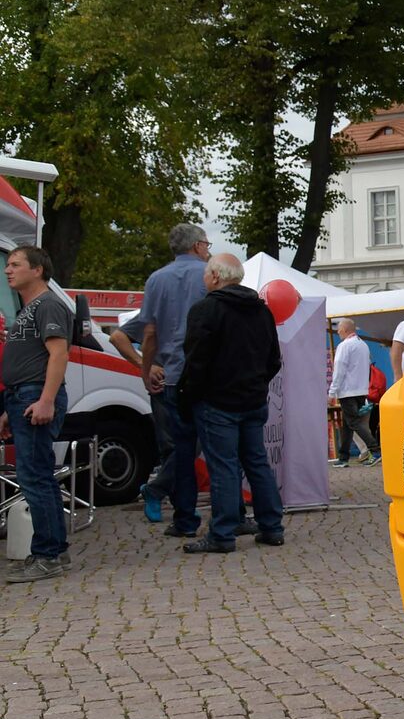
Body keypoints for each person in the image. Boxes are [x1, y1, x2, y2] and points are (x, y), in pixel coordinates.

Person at [177, 254, 284, 553]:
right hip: (252, 398)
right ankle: (271, 527)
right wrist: (257, 382)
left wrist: (188, 395)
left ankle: (222, 533)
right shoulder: (261, 311)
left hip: (217, 401)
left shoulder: (205, 310)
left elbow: (195, 361)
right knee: (257, 462)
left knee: (223, 466)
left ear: (214, 276)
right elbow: (273, 359)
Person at [2, 247, 74, 582]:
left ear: (38, 269)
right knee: (38, 473)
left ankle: (47, 555)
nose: (7, 270)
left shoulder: (47, 305)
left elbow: (58, 354)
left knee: (35, 476)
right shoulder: (30, 309)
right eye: (7, 265)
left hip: (35, 395)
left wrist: (45, 400)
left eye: (15, 264)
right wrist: (10, 406)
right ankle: (55, 549)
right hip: (23, 396)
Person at [139, 223, 211, 538]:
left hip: (172, 377)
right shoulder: (211, 275)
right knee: (220, 449)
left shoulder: (156, 279)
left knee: (181, 451)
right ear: (197, 246)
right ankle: (229, 518)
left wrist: (146, 371)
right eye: (206, 244)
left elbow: (150, 333)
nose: (208, 249)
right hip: (208, 376)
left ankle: (184, 519)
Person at [108, 311, 175, 523]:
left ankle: (159, 491)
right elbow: (117, 337)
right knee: (173, 447)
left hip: (190, 386)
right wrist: (144, 366)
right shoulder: (160, 309)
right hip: (164, 387)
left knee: (187, 447)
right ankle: (169, 498)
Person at [330, 318, 381, 468]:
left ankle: (375, 450)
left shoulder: (344, 346)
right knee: (348, 424)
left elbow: (339, 370)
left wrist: (332, 392)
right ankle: (343, 457)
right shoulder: (363, 345)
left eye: (339, 329)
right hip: (361, 390)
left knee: (353, 423)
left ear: (345, 330)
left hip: (347, 391)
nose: (338, 331)